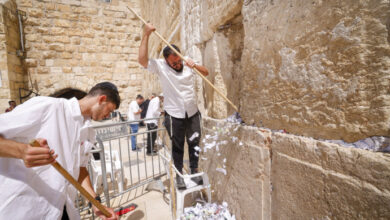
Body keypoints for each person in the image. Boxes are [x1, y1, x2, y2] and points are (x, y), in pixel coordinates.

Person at [0, 82, 120, 220]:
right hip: (24, 208)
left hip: (60, 209)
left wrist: (96, 203)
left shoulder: (88, 132)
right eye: (110, 111)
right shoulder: (49, 107)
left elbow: (80, 170)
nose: (108, 116)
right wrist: (21, 151)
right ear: (102, 99)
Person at [138, 23, 209, 189]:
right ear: (166, 61)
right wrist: (146, 34)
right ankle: (178, 176)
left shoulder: (186, 62)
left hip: (192, 111)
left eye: (178, 61)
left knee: (195, 143)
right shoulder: (160, 66)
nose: (177, 65)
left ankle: (194, 171)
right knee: (177, 146)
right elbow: (142, 61)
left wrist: (194, 65)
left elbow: (206, 72)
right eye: (174, 63)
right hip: (174, 114)